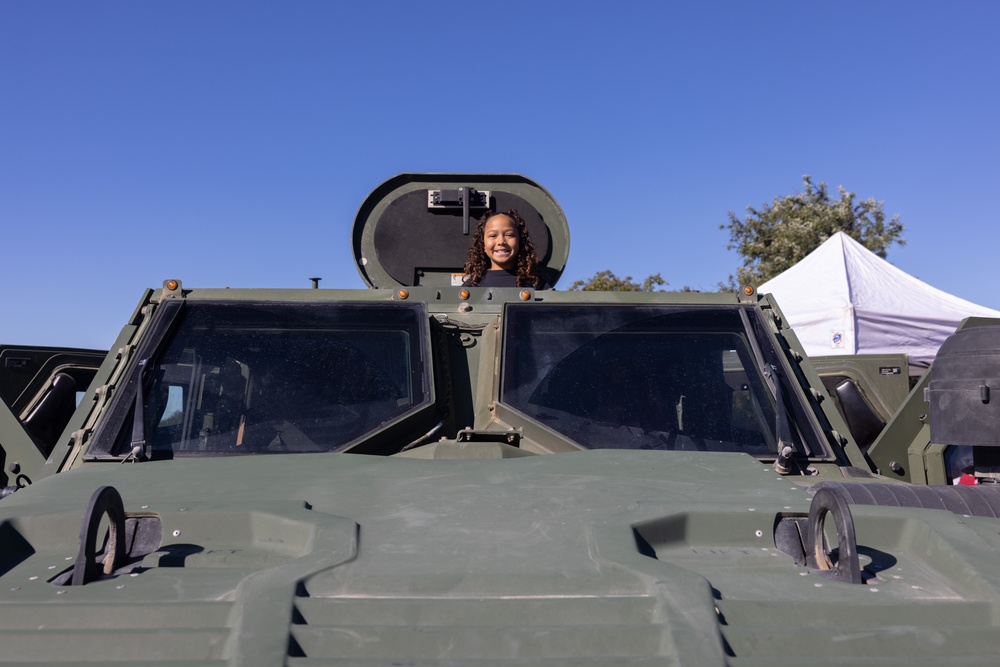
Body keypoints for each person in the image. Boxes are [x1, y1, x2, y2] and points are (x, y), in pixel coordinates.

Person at [462, 209, 547, 288]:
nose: (501, 241)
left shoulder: (536, 283)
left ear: (520, 241)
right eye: (493, 236)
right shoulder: (473, 286)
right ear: (482, 243)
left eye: (509, 235)